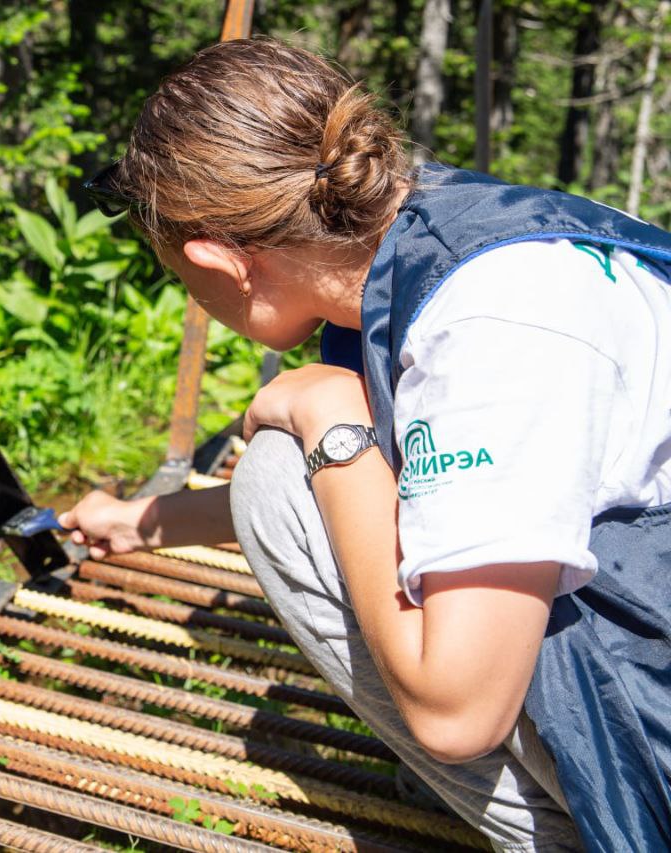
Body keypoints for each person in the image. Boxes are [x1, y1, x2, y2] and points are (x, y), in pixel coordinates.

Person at [62, 38, 671, 852]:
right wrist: (144, 520)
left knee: (280, 476)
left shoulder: (494, 332)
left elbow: (458, 716)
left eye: (182, 275)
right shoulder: (433, 233)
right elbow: (456, 482)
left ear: (219, 259)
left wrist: (334, 418)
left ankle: (563, 833)